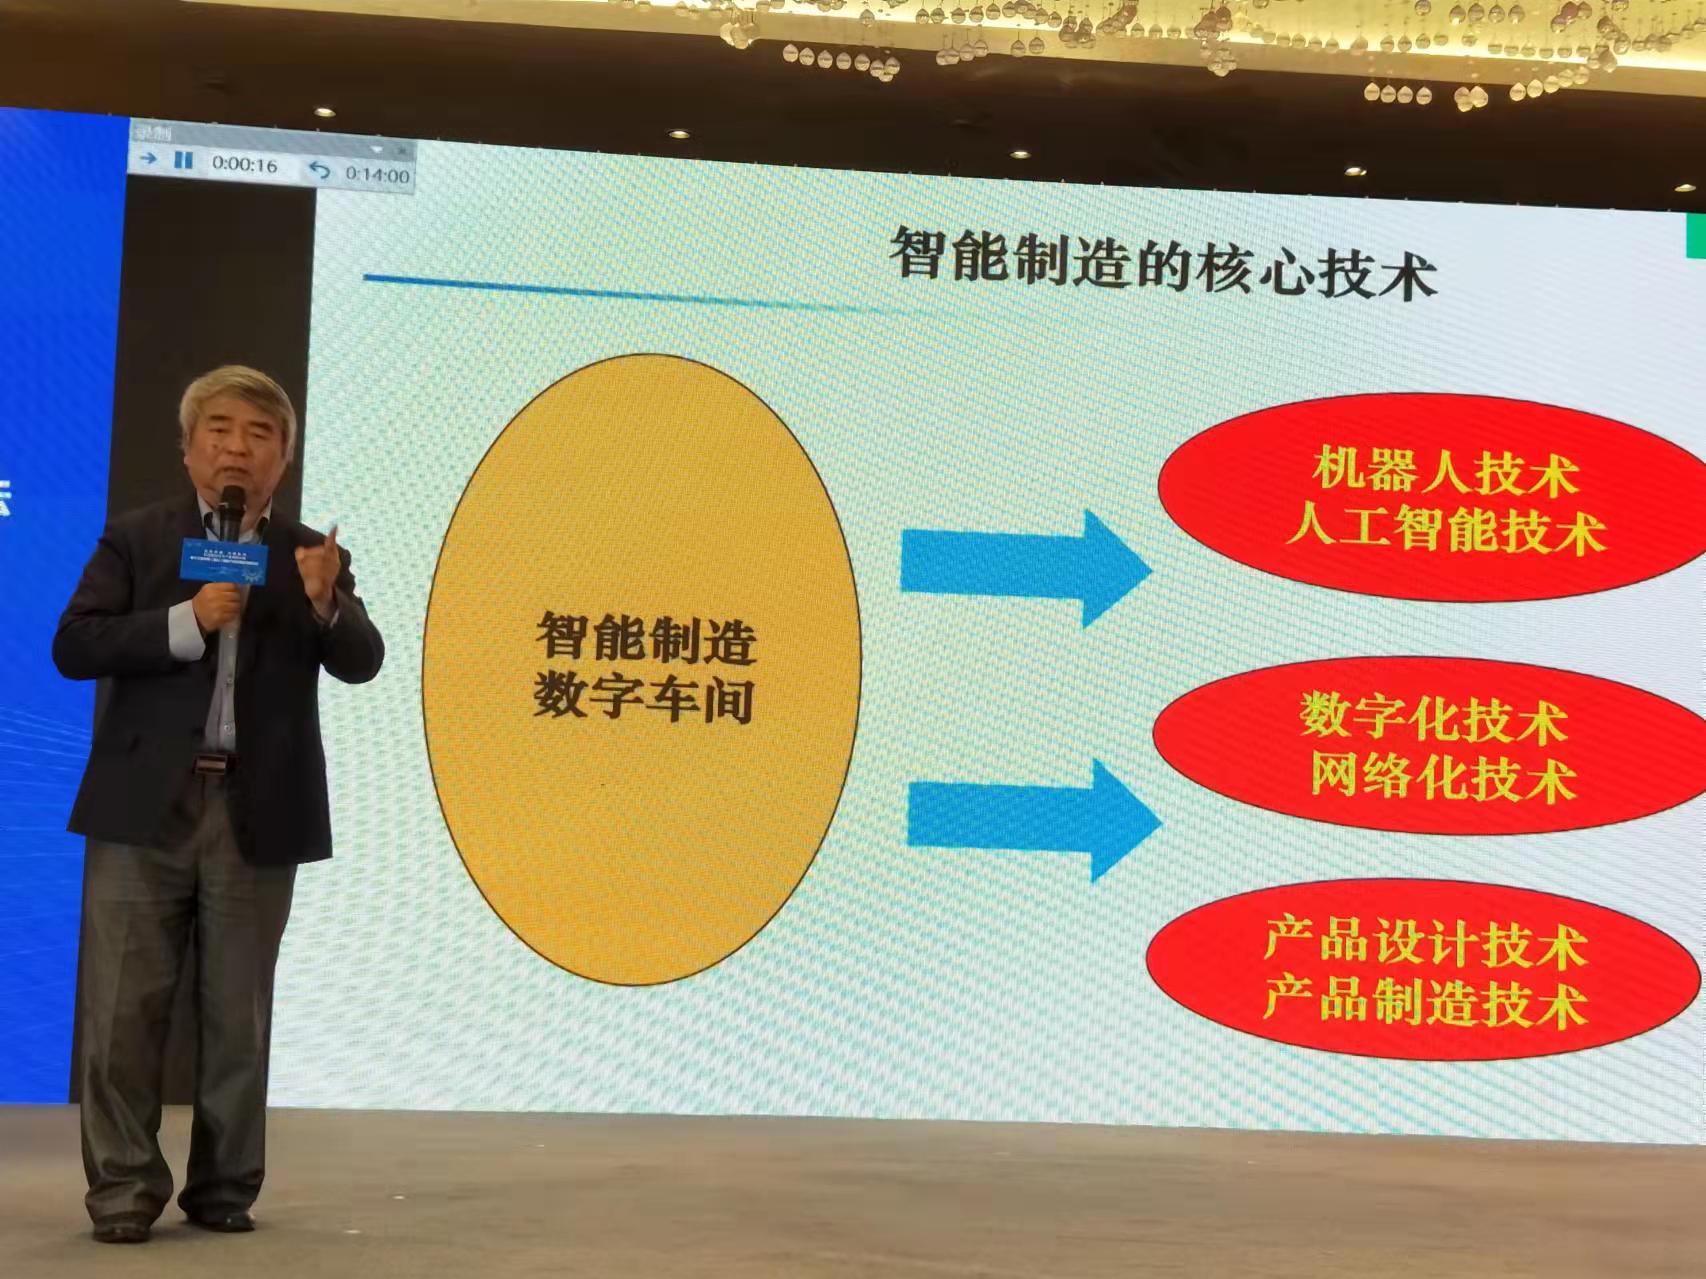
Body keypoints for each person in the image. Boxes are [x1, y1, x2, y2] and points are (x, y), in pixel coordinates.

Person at [53, 366, 384, 1244]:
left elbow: (362, 660)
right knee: (121, 1014)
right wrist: (186, 620)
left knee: (238, 1016)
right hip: (143, 808)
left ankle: (225, 1186)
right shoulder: (138, 538)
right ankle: (123, 1191)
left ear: (283, 458)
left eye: (260, 434)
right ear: (190, 447)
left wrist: (326, 602)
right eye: (221, 430)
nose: (238, 448)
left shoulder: (310, 553)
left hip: (255, 809)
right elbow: (75, 644)